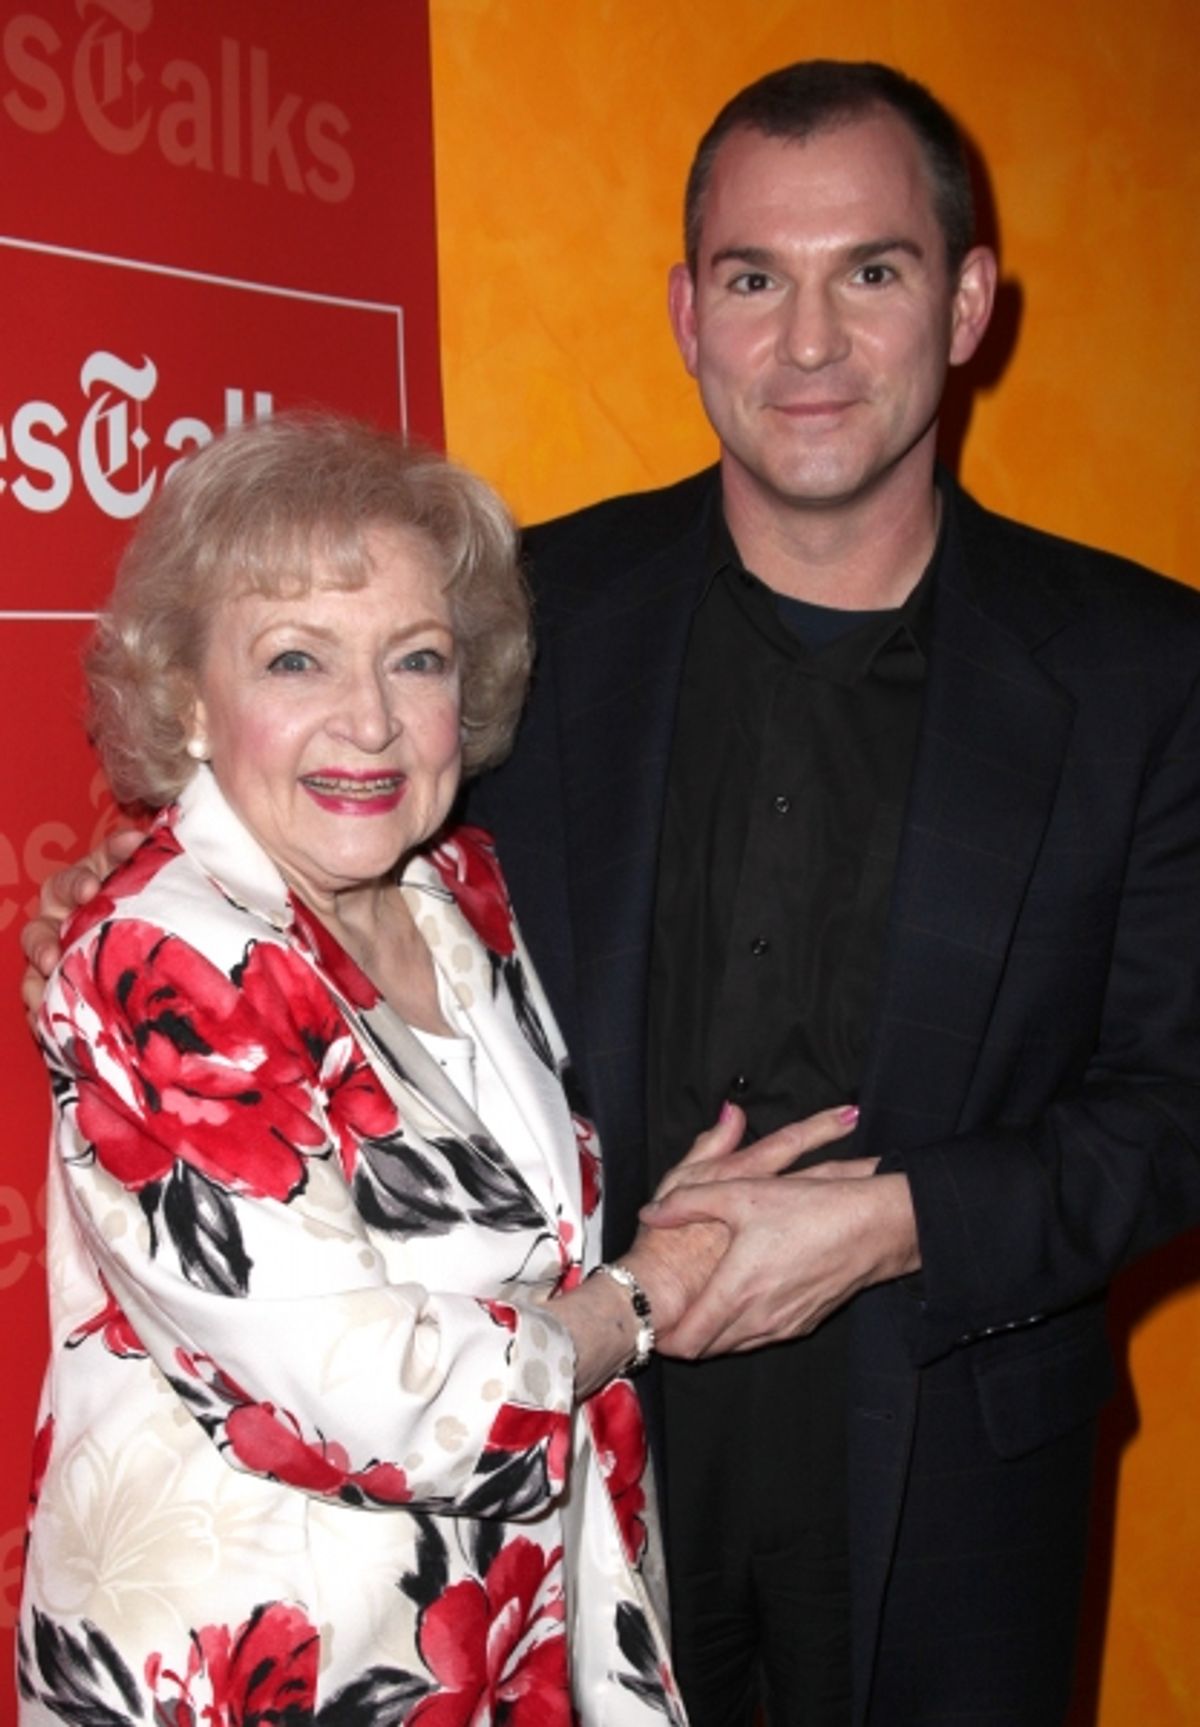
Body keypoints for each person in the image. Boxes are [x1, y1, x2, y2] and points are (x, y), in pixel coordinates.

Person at [23, 58, 1200, 1727]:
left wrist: (895, 1222)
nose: (807, 343)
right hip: (571, 1478)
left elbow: (1177, 1099)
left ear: (966, 305)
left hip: (957, 1466)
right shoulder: (524, 613)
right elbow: (308, 842)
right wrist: (118, 903)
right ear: (685, 311)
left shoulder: (1149, 671)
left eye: (869, 271)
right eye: (752, 279)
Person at [15, 412, 850, 1725]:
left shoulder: (459, 890)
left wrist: (660, 1219)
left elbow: (505, 1222)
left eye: (415, 659)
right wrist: (640, 1299)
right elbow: (374, 1394)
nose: (371, 721)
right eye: (298, 659)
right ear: (188, 696)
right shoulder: (160, 960)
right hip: (265, 1672)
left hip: (503, 1640)